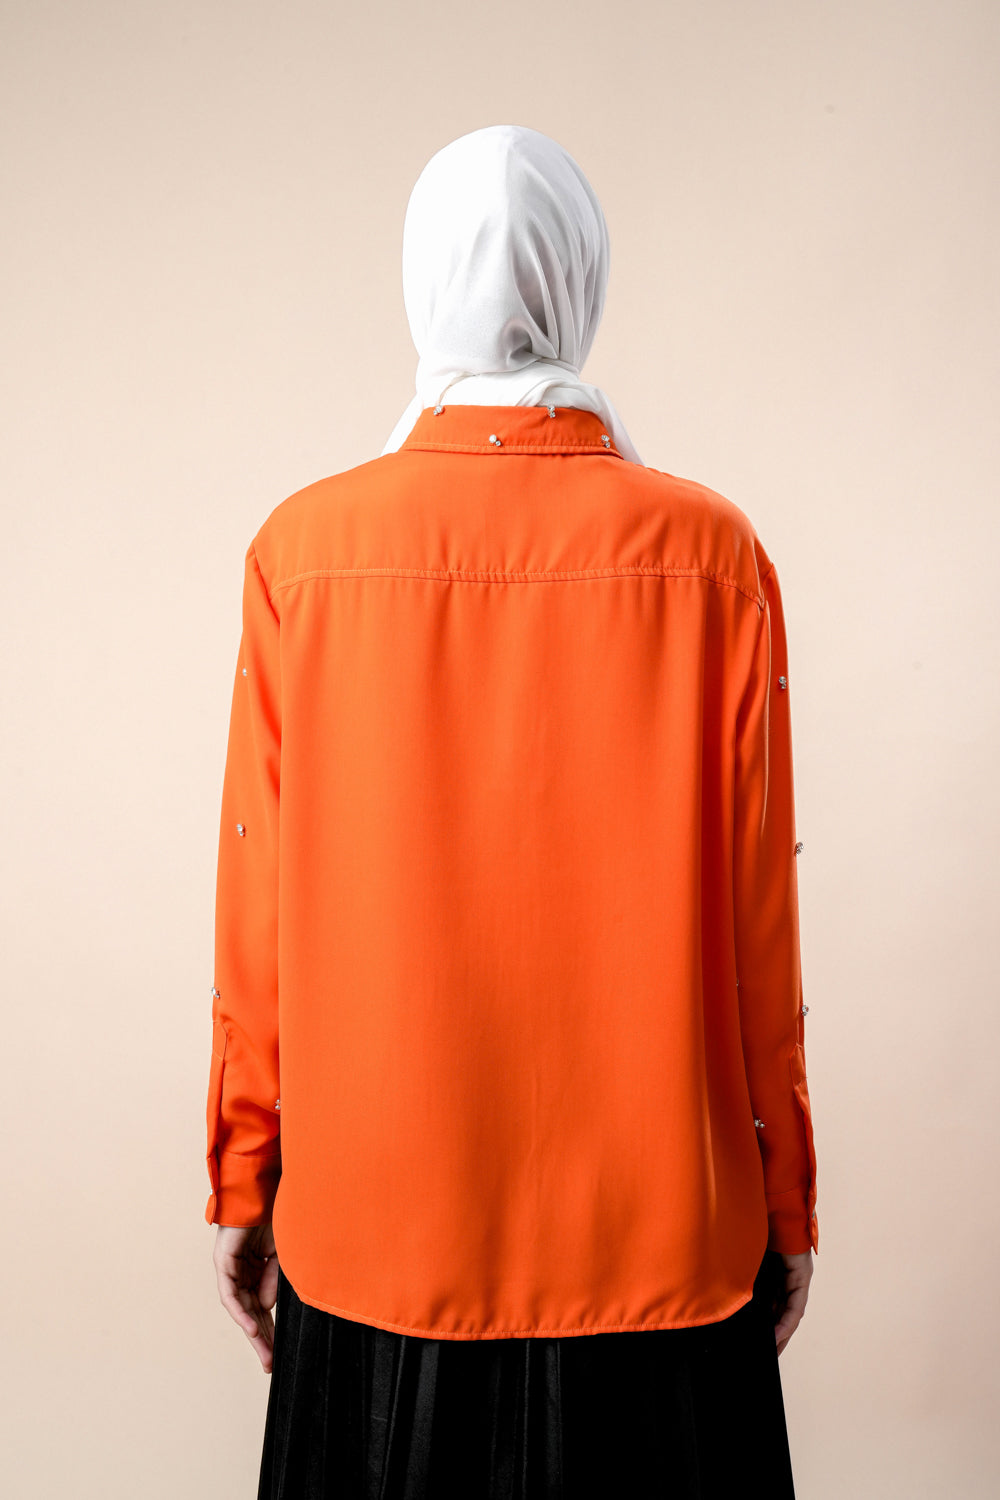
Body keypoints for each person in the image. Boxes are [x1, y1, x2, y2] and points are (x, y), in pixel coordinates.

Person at [204, 123, 818, 1499]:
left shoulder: (303, 554)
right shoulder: (715, 557)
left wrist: (246, 1175)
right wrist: (785, 1198)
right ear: (581, 281)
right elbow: (759, 919)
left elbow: (260, 906)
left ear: (419, 283)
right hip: (665, 1254)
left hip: (376, 1247)